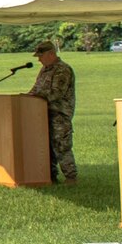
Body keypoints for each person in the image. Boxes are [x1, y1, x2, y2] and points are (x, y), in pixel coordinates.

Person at [26, 39, 77, 184]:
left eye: (41, 56)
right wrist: (26, 98)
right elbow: (36, 88)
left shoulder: (63, 69)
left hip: (59, 114)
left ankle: (71, 177)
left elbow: (56, 93)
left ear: (51, 54)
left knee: (61, 146)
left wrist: (35, 97)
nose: (39, 60)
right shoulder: (45, 70)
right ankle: (50, 176)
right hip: (41, 114)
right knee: (45, 147)